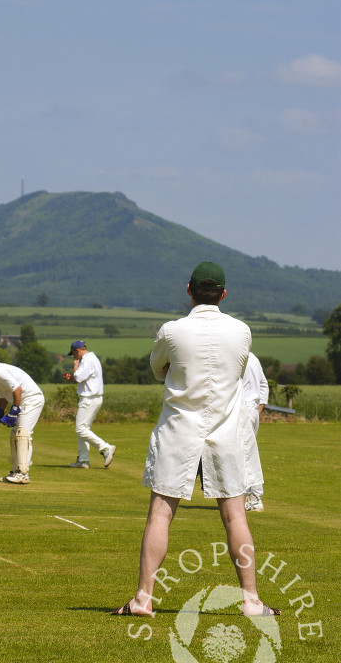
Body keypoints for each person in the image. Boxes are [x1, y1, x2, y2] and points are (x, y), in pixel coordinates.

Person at [111, 262, 280, 618]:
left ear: (189, 290)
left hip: (178, 430)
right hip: (225, 432)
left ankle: (143, 599)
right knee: (236, 517)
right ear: (223, 293)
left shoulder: (171, 331)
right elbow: (236, 370)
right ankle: (251, 601)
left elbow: (159, 369)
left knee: (160, 513)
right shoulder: (241, 331)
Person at [0, 350, 45, 484]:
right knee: (15, 435)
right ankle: (16, 471)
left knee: (22, 434)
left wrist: (14, 410)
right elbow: (3, 397)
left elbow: (17, 389)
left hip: (32, 399)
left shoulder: (0, 371)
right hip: (25, 401)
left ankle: (23, 473)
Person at [63, 340, 116, 469]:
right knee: (83, 429)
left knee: (80, 429)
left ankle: (106, 448)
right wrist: (72, 378)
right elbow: (81, 378)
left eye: (74, 354)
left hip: (89, 399)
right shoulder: (92, 358)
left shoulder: (86, 360)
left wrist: (75, 367)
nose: (74, 357)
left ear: (78, 350)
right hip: (94, 398)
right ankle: (83, 460)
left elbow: (79, 376)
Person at [242, 352, 269, 512]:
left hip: (242, 409)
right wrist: (257, 409)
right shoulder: (253, 357)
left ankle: (255, 498)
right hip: (250, 409)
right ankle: (246, 496)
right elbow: (264, 385)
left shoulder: (235, 355)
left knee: (245, 454)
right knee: (245, 453)